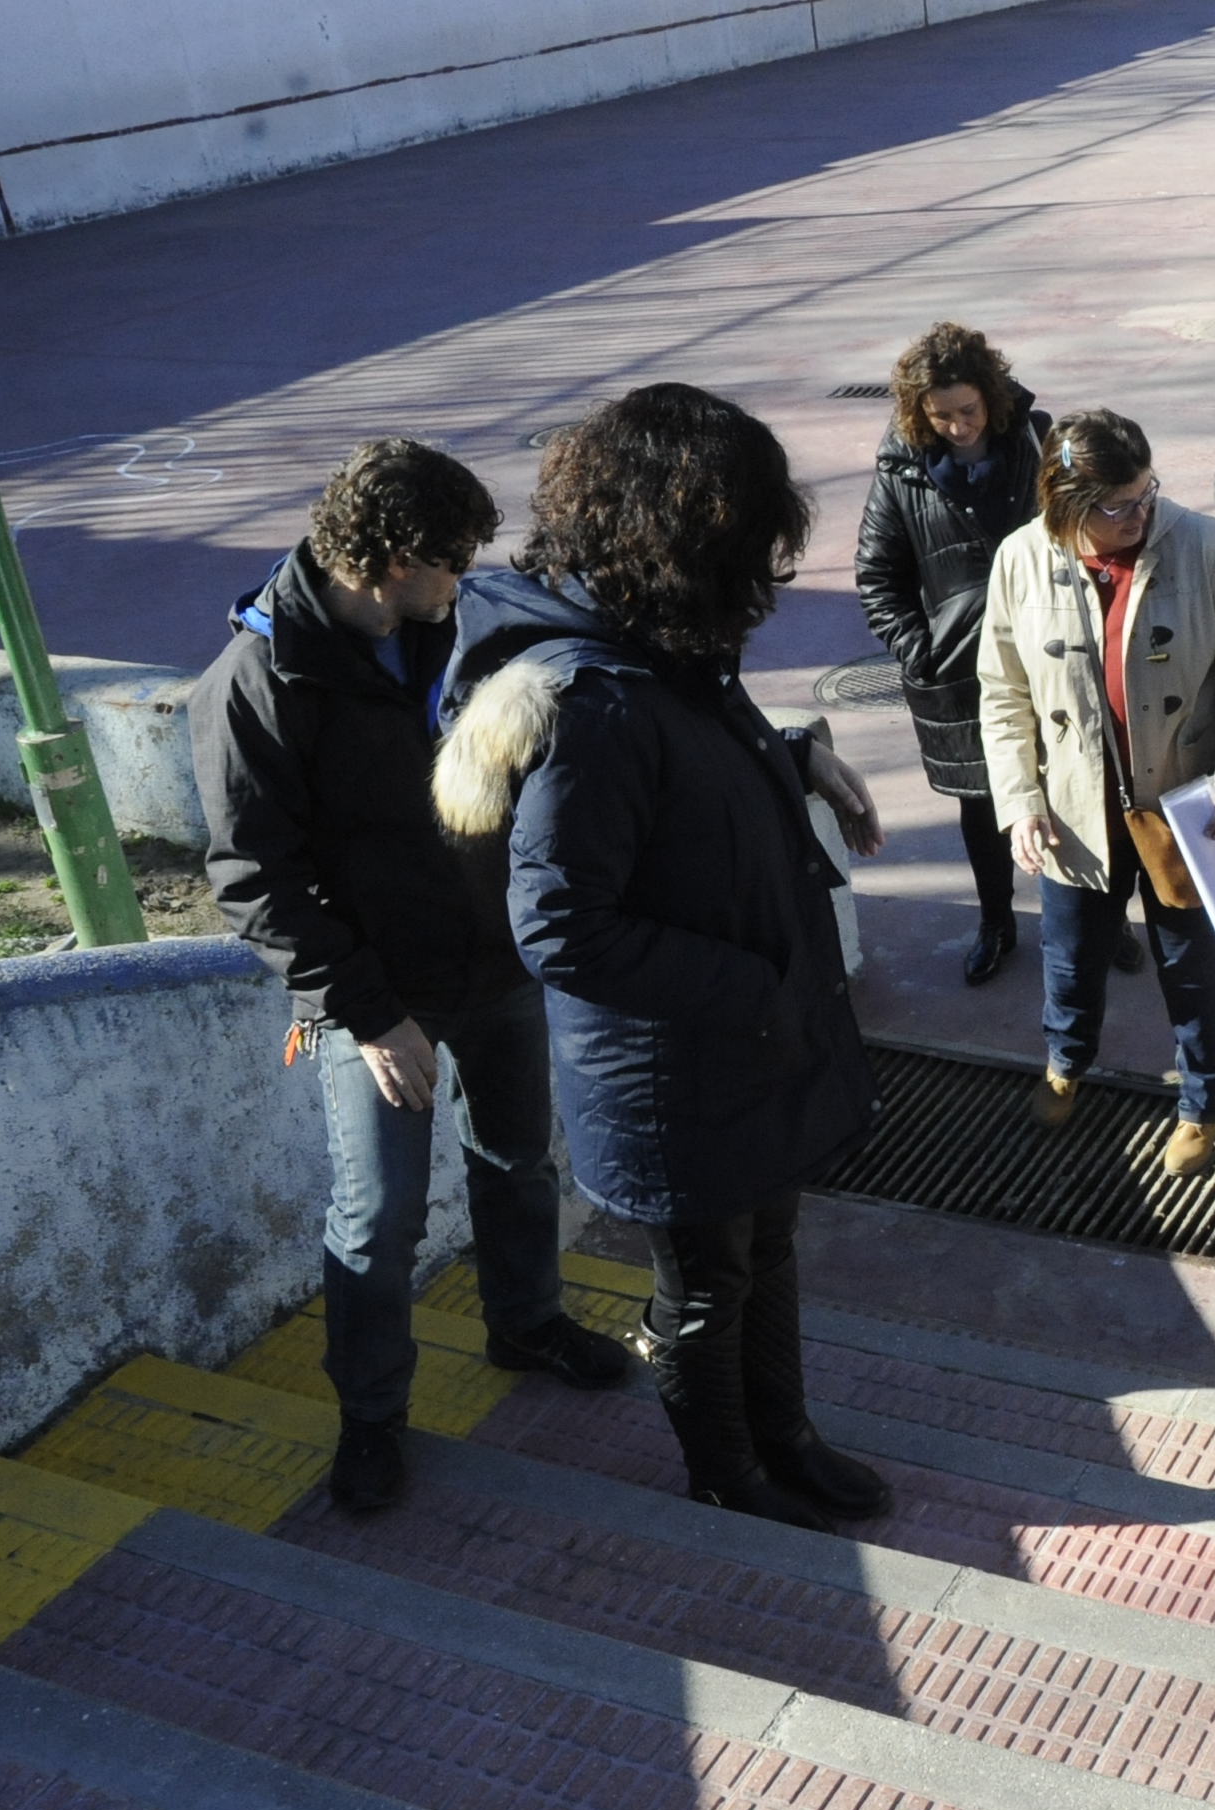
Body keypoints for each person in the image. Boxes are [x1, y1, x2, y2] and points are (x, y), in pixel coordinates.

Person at [433, 383, 891, 1533]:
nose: (766, 577)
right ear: (687, 545)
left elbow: (687, 773)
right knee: (706, 1288)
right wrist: (751, 989)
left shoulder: (654, 646)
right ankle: (726, 1477)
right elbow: (560, 926)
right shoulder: (592, 702)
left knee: (766, 1251)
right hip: (679, 1072)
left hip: (744, 1046)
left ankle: (786, 1437)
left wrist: (792, 755)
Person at [191, 439, 630, 1513]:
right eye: (454, 558)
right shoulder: (253, 684)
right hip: (375, 999)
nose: (469, 576)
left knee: (518, 1160)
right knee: (379, 1218)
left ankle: (525, 1326)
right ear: (393, 560)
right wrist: (369, 1015)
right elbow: (254, 880)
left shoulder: (457, 625)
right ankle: (373, 1418)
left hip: (495, 961)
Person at [976, 409, 1215, 1178]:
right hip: (1074, 812)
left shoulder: (1201, 544)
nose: (1141, 514)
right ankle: (1066, 1064)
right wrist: (1020, 801)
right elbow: (1003, 694)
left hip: (1184, 807)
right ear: (1067, 505)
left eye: (1148, 493)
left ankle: (1202, 1102)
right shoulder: (1020, 558)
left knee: (1192, 964)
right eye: (1119, 506)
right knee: (1071, 957)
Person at [856, 321, 1088, 987]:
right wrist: (920, 650)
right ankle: (996, 921)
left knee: (1075, 786)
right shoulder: (901, 470)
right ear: (918, 412)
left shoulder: (1041, 441)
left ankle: (1094, 920)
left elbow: (1087, 522)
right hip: (960, 672)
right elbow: (877, 575)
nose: (958, 427)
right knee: (983, 804)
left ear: (991, 394)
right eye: (941, 416)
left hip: (1053, 651)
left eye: (969, 410)